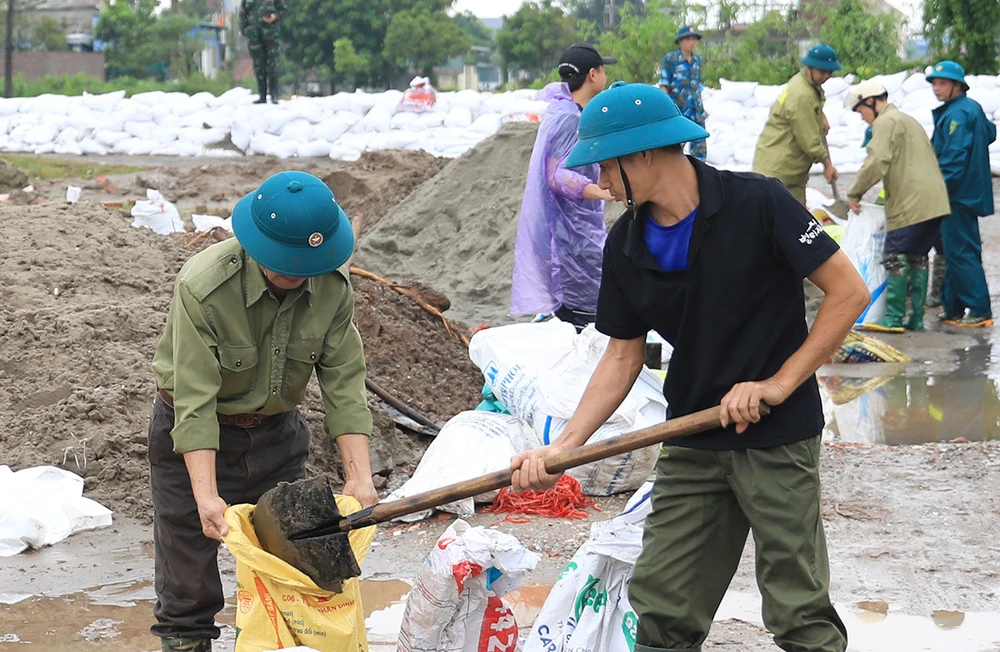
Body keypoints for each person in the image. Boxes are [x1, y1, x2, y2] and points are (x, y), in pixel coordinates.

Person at [511, 82, 870, 652]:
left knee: (798, 611)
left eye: (604, 166)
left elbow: (849, 292)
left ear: (645, 154)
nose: (598, 183)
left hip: (776, 436)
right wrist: (567, 447)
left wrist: (777, 383)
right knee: (661, 606)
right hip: (693, 438)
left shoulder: (759, 203)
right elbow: (623, 354)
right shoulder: (625, 242)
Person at [148, 171, 378, 652]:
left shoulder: (332, 286)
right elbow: (194, 400)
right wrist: (206, 495)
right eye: (285, 263)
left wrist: (360, 477)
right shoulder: (203, 287)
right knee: (188, 580)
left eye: (308, 263)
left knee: (302, 561)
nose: (297, 273)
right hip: (194, 435)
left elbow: (344, 384)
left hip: (276, 436)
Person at [510, 43, 616, 331]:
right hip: (572, 234)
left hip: (578, 227)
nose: (605, 74)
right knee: (584, 316)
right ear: (593, 75)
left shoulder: (568, 110)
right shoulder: (569, 119)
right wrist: (603, 191)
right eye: (603, 69)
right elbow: (556, 175)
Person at [844, 80, 950, 333]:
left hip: (912, 202)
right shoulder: (907, 120)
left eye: (861, 112)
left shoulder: (885, 122)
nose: (863, 119)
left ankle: (893, 317)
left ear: (871, 102)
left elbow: (877, 160)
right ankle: (916, 319)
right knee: (917, 257)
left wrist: (855, 192)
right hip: (934, 201)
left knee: (893, 255)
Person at [926, 60, 996, 327]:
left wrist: (936, 190)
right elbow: (990, 133)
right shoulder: (972, 108)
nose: (937, 88)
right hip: (969, 192)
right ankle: (953, 308)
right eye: (934, 83)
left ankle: (979, 310)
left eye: (942, 83)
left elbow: (953, 159)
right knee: (957, 250)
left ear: (957, 86)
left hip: (956, 195)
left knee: (961, 253)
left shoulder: (956, 115)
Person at [753, 44, 841, 205]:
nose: (826, 76)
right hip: (780, 170)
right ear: (809, 67)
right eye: (822, 71)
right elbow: (809, 140)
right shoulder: (801, 95)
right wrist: (827, 163)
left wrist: (819, 114)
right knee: (784, 223)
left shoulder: (804, 84)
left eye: (830, 72)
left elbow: (808, 108)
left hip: (786, 169)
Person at [659, 25, 707, 161]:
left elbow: (697, 84)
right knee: (675, 146)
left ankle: (700, 172)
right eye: (689, 39)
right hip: (679, 108)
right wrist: (665, 107)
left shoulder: (697, 60)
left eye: (694, 39)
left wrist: (703, 108)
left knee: (699, 145)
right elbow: (664, 82)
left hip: (696, 109)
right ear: (680, 41)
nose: (692, 43)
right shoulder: (671, 59)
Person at [240, 0, 284, 103]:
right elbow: (243, 13)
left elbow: (283, 10)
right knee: (258, 66)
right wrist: (244, 29)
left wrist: (275, 17)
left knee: (272, 65)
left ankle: (274, 95)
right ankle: (262, 96)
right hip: (254, 36)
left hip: (270, 34)